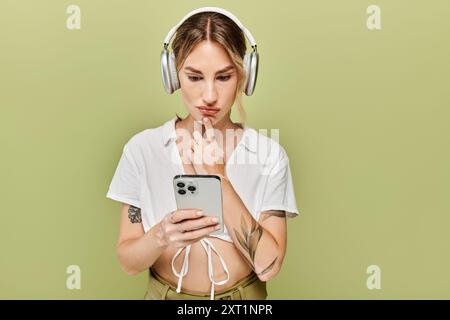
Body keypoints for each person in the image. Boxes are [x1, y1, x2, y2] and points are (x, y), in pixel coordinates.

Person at [106, 7, 299, 300]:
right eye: (195, 77)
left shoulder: (270, 156)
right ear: (172, 75)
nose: (209, 95)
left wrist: (220, 178)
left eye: (223, 77)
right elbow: (128, 262)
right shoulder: (142, 150)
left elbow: (268, 266)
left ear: (245, 77)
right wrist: (161, 235)